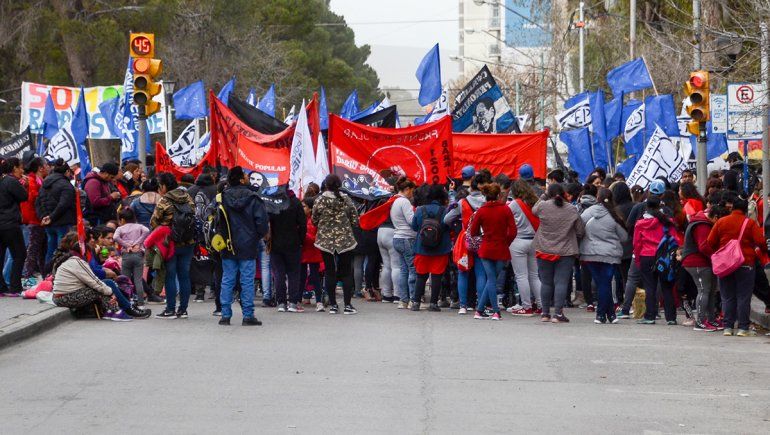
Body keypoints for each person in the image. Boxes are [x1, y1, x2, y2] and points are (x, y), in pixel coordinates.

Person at [51, 232, 149, 321]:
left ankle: (115, 310)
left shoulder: (74, 259)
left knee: (105, 285)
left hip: (65, 295)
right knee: (102, 288)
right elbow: (93, 281)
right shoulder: (77, 261)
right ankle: (118, 311)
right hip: (64, 297)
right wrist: (111, 292)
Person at [216, 166, 269, 326]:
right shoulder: (253, 197)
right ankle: (248, 315)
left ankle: (225, 315)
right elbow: (262, 222)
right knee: (247, 280)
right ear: (240, 179)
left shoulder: (222, 197)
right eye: (245, 175)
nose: (247, 177)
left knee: (227, 279)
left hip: (227, 243)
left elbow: (216, 219)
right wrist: (258, 236)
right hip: (249, 244)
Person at [707, 197, 767, 336]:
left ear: (732, 208)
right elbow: (761, 242)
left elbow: (710, 241)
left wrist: (722, 251)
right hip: (745, 264)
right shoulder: (750, 223)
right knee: (743, 297)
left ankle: (728, 327)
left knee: (727, 296)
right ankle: (743, 328)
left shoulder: (721, 221)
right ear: (745, 210)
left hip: (725, 265)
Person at [533, 183, 585, 323]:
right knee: (561, 282)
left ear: (548, 194)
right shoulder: (571, 209)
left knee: (546, 282)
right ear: (563, 194)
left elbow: (533, 210)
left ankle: (545, 313)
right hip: (565, 250)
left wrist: (543, 196)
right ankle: (558, 314)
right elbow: (580, 230)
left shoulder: (542, 206)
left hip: (544, 248)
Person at [444, 169, 491, 314]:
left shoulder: (462, 202)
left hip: (465, 239)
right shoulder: (487, 202)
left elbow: (446, 219)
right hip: (482, 239)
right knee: (481, 273)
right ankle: (480, 306)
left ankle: (463, 306)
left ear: (471, 186)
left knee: (463, 271)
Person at [312, 174, 360, 315]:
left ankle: (333, 305)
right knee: (346, 272)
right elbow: (355, 220)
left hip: (325, 241)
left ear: (326, 185)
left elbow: (314, 220)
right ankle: (347, 305)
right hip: (345, 240)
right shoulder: (346, 199)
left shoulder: (319, 200)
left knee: (329, 271)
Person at [151, 172, 196, 319]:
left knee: (170, 276)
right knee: (184, 276)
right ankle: (183, 310)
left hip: (169, 243)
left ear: (164, 186)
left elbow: (154, 221)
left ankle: (170, 309)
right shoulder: (187, 197)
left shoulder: (164, 201)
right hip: (188, 242)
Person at [580, 187, 628, 324]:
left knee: (602, 283)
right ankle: (607, 314)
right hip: (610, 254)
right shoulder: (614, 214)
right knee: (605, 282)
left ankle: (604, 315)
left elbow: (579, 229)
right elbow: (624, 237)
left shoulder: (587, 213)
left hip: (590, 252)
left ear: (597, 197)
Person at [469, 183, 517, 320]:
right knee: (492, 279)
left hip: (486, 247)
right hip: (501, 247)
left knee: (491, 279)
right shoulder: (505, 209)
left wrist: (484, 235)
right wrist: (506, 242)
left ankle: (480, 310)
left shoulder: (481, 211)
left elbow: (473, 231)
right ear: (498, 195)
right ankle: (495, 311)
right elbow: (513, 231)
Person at [633, 196, 682, 325]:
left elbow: (637, 244)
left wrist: (638, 259)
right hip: (664, 257)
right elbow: (676, 240)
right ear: (660, 206)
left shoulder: (640, 224)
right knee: (667, 287)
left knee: (650, 287)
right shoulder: (668, 222)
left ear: (646, 207)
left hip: (646, 256)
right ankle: (671, 317)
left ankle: (650, 316)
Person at [409, 184, 451, 312]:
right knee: (437, 276)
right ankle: (433, 303)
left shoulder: (420, 210)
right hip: (441, 249)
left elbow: (414, 227)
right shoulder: (445, 211)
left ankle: (416, 302)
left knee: (421, 276)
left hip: (422, 248)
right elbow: (448, 227)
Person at [682, 206, 720, 332]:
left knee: (710, 291)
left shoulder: (701, 222)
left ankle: (711, 319)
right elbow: (704, 246)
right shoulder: (702, 225)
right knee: (704, 290)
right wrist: (717, 256)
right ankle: (700, 321)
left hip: (702, 262)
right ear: (715, 217)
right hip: (697, 262)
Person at [507, 179, 541, 316]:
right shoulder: (535, 202)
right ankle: (541, 305)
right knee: (534, 276)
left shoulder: (514, 204)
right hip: (534, 241)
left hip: (518, 241)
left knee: (521, 276)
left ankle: (526, 307)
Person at [270, 188, 307, 313]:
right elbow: (302, 223)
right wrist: (301, 240)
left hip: (275, 242)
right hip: (293, 242)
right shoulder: (295, 202)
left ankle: (281, 302)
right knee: (293, 273)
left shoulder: (273, 201)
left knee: (278, 273)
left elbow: (267, 222)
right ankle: (293, 302)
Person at [36, 159, 76, 266]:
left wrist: (43, 217)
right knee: (62, 251)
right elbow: (64, 204)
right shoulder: (66, 185)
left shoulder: (44, 184)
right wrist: (51, 217)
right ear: (67, 171)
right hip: (63, 222)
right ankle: (60, 272)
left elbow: (38, 202)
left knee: (51, 250)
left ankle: (48, 272)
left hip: (49, 223)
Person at [0, 157, 28, 296]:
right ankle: (15, 286)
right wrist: (23, 184)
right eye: (20, 167)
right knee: (19, 254)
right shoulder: (10, 181)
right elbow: (23, 196)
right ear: (14, 168)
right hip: (10, 223)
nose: (22, 170)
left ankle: (2, 287)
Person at [390, 177, 417, 309]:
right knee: (412, 269)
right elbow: (411, 221)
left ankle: (403, 300)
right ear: (407, 189)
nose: (412, 193)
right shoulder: (405, 202)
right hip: (407, 238)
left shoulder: (394, 201)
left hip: (397, 237)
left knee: (403, 270)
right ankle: (413, 299)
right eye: (412, 190)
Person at [113, 208, 150, 305]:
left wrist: (126, 245)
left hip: (126, 254)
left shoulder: (120, 228)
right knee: (138, 280)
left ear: (122, 220)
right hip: (138, 254)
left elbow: (115, 237)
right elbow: (147, 230)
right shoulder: (139, 226)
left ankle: (127, 301)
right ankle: (141, 303)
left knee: (125, 280)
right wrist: (137, 243)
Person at [20, 154, 48, 282]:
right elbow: (32, 199)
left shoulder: (39, 180)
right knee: (33, 250)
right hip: (34, 220)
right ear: (40, 168)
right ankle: (27, 276)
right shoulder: (31, 181)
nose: (48, 167)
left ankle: (44, 274)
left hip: (40, 220)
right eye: (46, 165)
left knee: (42, 250)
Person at [300, 197, 325, 311]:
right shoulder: (300, 219)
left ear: (310, 208)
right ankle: (298, 300)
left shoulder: (315, 220)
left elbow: (317, 237)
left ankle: (319, 301)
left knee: (315, 277)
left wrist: (305, 235)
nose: (302, 208)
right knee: (302, 277)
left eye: (304, 206)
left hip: (313, 251)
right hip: (303, 251)